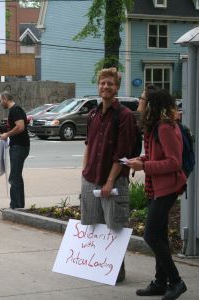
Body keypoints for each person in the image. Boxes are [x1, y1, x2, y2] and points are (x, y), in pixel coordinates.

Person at [126, 89, 187, 300]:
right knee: (159, 235)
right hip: (156, 187)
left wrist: (145, 167)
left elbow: (174, 162)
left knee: (151, 235)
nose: (138, 103)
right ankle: (161, 283)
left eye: (141, 99)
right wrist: (141, 159)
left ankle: (176, 281)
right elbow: (155, 155)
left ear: (150, 104)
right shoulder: (154, 128)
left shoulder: (165, 128)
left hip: (168, 188)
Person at [80, 67, 137, 283]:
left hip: (113, 182)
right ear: (98, 85)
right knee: (93, 225)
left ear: (117, 87)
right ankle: (97, 266)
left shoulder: (124, 116)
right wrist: (84, 172)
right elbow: (88, 144)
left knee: (114, 226)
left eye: (110, 84)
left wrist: (109, 181)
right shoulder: (93, 114)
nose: (105, 87)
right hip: (90, 178)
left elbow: (122, 154)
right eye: (102, 83)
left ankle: (116, 270)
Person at [0, 91, 30, 209]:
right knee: (17, 176)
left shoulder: (15, 110)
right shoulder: (16, 109)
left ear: (6, 99)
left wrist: (7, 134)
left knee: (14, 177)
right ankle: (19, 205)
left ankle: (15, 207)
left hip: (19, 146)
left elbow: (20, 127)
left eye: (1, 100)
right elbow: (18, 126)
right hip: (20, 146)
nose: (0, 103)